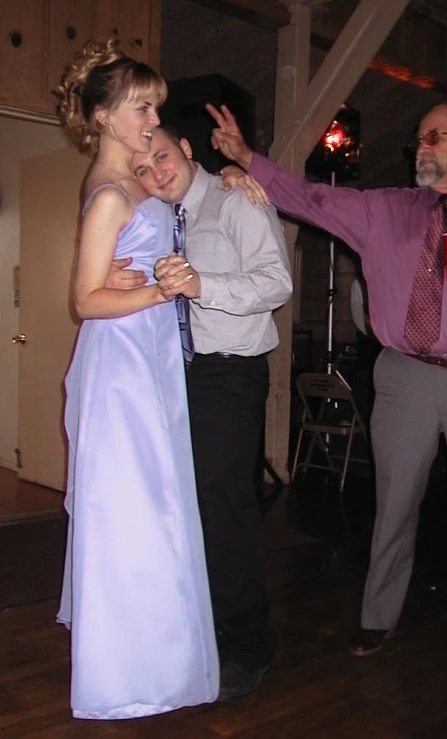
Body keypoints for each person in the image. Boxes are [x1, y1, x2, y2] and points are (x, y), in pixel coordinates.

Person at [206, 100, 447, 698]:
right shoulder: (383, 209)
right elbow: (308, 196)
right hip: (404, 377)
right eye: (418, 137)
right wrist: (245, 158)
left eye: (434, 136)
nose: (420, 145)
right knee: (393, 506)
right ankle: (378, 613)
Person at [55, 40, 219, 719]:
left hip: (144, 359)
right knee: (132, 511)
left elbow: (179, 195)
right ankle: (129, 668)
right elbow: (84, 300)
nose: (154, 116)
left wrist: (231, 176)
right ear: (103, 116)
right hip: (122, 366)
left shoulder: (132, 182)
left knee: (155, 506)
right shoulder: (108, 196)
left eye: (155, 103)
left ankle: (160, 654)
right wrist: (156, 292)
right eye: (142, 105)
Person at [107, 126, 292, 700]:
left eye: (161, 156)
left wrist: (201, 285)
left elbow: (277, 283)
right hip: (173, 374)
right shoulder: (161, 216)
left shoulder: (238, 199)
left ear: (186, 148)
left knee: (224, 506)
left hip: (229, 374)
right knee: (183, 507)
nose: (156, 172)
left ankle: (249, 646)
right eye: (143, 168)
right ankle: (204, 632)